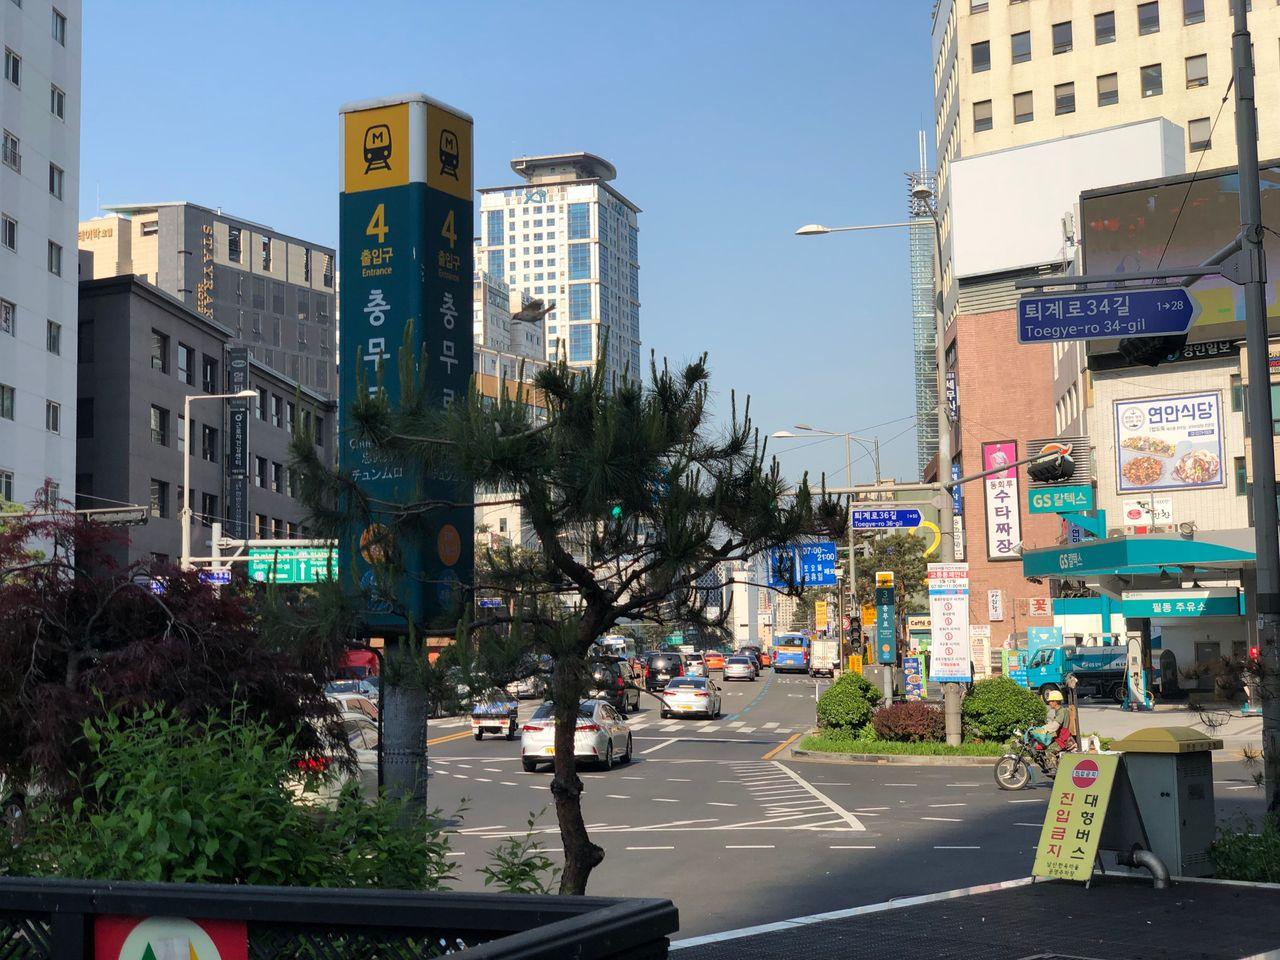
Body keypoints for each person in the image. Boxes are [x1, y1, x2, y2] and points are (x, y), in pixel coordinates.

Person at [1031, 690, 1072, 757]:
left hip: (1063, 739)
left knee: (1048, 751)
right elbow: (1052, 725)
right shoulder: (1059, 711)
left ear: (1055, 702)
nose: (1049, 703)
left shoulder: (1062, 712)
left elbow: (1054, 726)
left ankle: (1054, 764)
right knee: (1041, 745)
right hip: (1059, 736)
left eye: (1050, 701)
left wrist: (1042, 730)